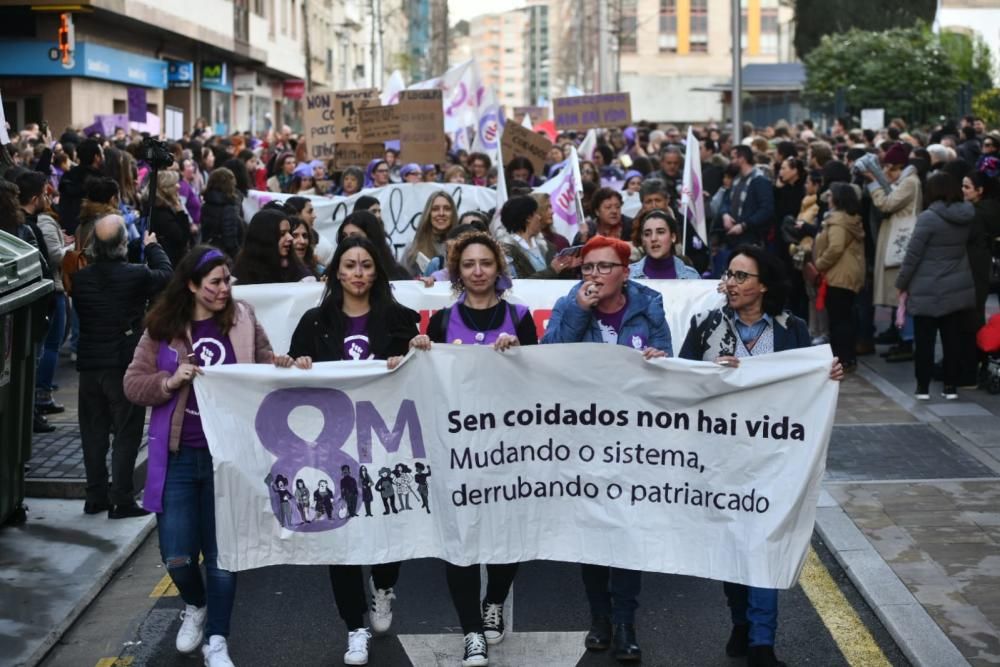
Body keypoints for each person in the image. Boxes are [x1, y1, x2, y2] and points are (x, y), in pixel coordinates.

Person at [123, 246, 296, 667]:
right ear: (192, 285)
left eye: (227, 281)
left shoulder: (243, 318)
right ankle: (194, 604)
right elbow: (134, 384)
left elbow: (265, 367)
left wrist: (285, 363)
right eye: (215, 282)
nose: (224, 289)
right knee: (177, 555)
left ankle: (217, 638)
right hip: (181, 457)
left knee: (223, 556)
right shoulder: (163, 328)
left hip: (229, 459)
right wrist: (169, 381)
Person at [678, 245, 843, 667]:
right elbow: (681, 384)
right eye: (729, 275)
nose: (730, 283)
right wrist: (712, 372)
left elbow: (804, 384)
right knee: (733, 546)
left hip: (775, 460)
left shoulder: (793, 329)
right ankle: (740, 621)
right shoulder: (706, 325)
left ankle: (762, 643)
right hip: (721, 459)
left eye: (741, 276)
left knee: (764, 544)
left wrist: (826, 375)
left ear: (763, 285)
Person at [287, 236, 420, 665]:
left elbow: (420, 372)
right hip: (332, 448)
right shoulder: (314, 321)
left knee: (387, 526)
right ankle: (355, 626)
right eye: (350, 265)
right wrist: (298, 363)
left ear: (376, 272)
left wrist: (415, 351)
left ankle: (384, 585)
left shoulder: (400, 319)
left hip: (384, 445)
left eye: (366, 265)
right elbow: (290, 373)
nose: (358, 273)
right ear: (336, 273)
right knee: (340, 535)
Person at [541, 235, 671, 663]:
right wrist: (580, 310)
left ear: (625, 272)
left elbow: (667, 361)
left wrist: (658, 358)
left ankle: (625, 622)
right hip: (584, 441)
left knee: (626, 530)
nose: (593, 276)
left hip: (633, 442)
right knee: (593, 531)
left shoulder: (648, 305)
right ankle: (599, 618)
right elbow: (550, 359)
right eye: (588, 268)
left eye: (603, 268)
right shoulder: (569, 304)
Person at [409, 231, 536, 667]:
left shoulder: (519, 317)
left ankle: (494, 600)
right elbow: (427, 382)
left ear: (498, 267)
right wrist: (420, 351)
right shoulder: (442, 322)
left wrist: (520, 354)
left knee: (506, 538)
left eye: (485, 263)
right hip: (457, 450)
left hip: (507, 450)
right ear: (456, 272)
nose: (478, 271)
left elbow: (539, 382)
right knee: (460, 540)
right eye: (469, 264)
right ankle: (471, 633)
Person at [73, 213, 172, 517]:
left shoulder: (80, 278)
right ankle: (122, 499)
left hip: (90, 365)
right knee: (127, 432)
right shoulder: (135, 275)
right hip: (122, 365)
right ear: (122, 244)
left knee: (93, 432)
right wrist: (152, 247)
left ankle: (95, 496)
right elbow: (166, 274)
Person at [896, 172, 976, 400]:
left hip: (926, 287)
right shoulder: (967, 215)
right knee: (952, 340)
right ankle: (950, 386)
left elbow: (913, 255)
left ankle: (922, 387)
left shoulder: (928, 218)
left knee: (925, 341)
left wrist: (901, 283)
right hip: (956, 285)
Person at [15, 171, 67, 415]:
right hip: (43, 295)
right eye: (45, 193)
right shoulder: (32, 227)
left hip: (38, 295)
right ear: (36, 197)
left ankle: (33, 403)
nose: (49, 198)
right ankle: (37, 401)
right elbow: (47, 261)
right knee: (43, 349)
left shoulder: (28, 224)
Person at [867, 143, 921, 361]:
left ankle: (906, 340)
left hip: (900, 241)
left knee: (901, 293)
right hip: (894, 238)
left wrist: (873, 184)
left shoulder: (910, 182)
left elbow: (887, 204)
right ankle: (900, 335)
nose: (885, 171)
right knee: (897, 293)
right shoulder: (904, 181)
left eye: (888, 166)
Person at [807, 183, 865, 372]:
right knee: (844, 317)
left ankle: (842, 358)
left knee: (839, 319)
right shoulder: (847, 218)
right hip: (846, 274)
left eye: (831, 195)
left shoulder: (838, 221)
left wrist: (820, 264)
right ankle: (846, 357)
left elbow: (835, 247)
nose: (827, 197)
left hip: (839, 276)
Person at [499, 195, 574, 278]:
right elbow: (517, 284)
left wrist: (564, 267)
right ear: (528, 218)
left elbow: (557, 277)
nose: (539, 217)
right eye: (536, 213)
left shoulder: (547, 246)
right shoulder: (506, 250)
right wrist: (552, 270)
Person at [232, 209, 313, 284]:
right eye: (282, 234)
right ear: (265, 238)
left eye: (289, 232)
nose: (290, 238)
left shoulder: (301, 276)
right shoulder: (236, 279)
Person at [718, 145, 775, 250]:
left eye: (733, 158)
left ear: (742, 159)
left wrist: (744, 225)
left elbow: (766, 209)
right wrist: (725, 214)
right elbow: (726, 200)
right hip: (733, 237)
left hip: (751, 238)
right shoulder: (736, 179)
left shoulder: (760, 180)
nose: (731, 161)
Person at [335, 210, 410, 280]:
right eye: (344, 236)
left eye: (354, 236)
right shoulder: (333, 272)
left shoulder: (398, 275)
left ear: (371, 238)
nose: (348, 241)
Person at [628, 209, 700, 279]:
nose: (653, 238)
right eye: (647, 234)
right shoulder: (627, 275)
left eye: (660, 232)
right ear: (642, 240)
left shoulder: (691, 276)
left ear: (673, 237)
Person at [401, 190, 457, 276]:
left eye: (446, 209)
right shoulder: (412, 249)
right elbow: (402, 283)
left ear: (453, 213)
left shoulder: (462, 246)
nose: (441, 213)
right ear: (428, 213)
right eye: (435, 209)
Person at [150, 171, 196, 267]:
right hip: (169, 262)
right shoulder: (161, 212)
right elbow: (181, 237)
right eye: (174, 183)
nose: (178, 186)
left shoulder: (166, 207)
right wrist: (180, 213)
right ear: (165, 188)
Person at [58, 137, 104, 234]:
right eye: (102, 153)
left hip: (67, 231)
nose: (104, 156)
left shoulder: (68, 176)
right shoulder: (101, 180)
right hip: (93, 232)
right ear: (96, 157)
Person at [199, 167, 245, 259]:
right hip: (225, 256)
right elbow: (230, 239)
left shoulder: (206, 204)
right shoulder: (229, 208)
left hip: (208, 251)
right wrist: (238, 257)